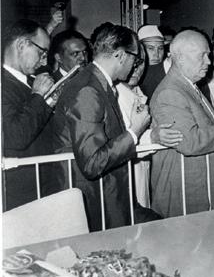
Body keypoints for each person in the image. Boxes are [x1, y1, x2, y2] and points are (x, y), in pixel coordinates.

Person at [51, 24, 160, 231]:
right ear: (121, 55)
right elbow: (92, 162)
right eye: (135, 59)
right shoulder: (88, 89)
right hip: (94, 199)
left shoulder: (96, 82)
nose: (135, 66)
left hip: (108, 194)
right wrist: (134, 131)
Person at [150, 29, 214, 218]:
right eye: (203, 55)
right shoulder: (170, 92)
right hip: (189, 195)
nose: (209, 62)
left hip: (204, 192)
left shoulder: (188, 87)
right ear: (180, 58)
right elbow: (188, 142)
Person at [116, 42, 183, 207]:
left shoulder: (139, 93)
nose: (135, 68)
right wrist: (152, 137)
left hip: (142, 171)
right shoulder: (115, 96)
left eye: (140, 63)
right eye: (132, 62)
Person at [2, 19, 55, 211]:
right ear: (22, 45)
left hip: (43, 185)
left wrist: (49, 102)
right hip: (19, 194)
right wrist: (38, 96)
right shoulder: (3, 85)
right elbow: (15, 136)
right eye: (41, 53)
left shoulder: (29, 82)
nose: (44, 61)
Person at [138, 25, 169, 100]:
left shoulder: (167, 70)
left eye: (160, 48)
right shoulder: (135, 74)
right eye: (150, 48)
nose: (156, 54)